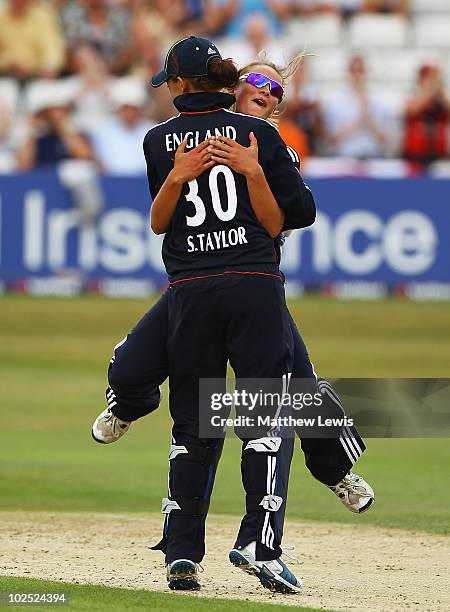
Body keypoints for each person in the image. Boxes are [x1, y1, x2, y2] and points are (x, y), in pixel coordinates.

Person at [92, 40, 373, 589]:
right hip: (201, 284)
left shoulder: (271, 145)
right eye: (254, 81)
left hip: (251, 281)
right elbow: (162, 217)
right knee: (138, 368)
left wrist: (254, 169)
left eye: (274, 90)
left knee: (299, 389)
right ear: (229, 85)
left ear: (275, 106)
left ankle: (336, 473)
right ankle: (126, 407)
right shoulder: (188, 138)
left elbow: (294, 216)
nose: (262, 92)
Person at [322, 54, 391, 159]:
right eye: (353, 71)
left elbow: (385, 138)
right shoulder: (335, 101)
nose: (357, 75)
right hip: (345, 156)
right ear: (348, 73)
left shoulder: (378, 100)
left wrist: (368, 118)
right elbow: (331, 139)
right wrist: (356, 122)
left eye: (360, 71)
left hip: (372, 157)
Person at [0, 0, 65, 80]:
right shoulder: (1, 15)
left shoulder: (43, 15)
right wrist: (10, 63)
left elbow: (52, 48)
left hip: (36, 76)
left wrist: (49, 68)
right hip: (5, 75)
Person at [402, 63, 450, 169]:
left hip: (438, 150)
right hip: (416, 151)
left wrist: (440, 91)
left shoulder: (441, 98)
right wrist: (428, 90)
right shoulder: (413, 94)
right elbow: (412, 110)